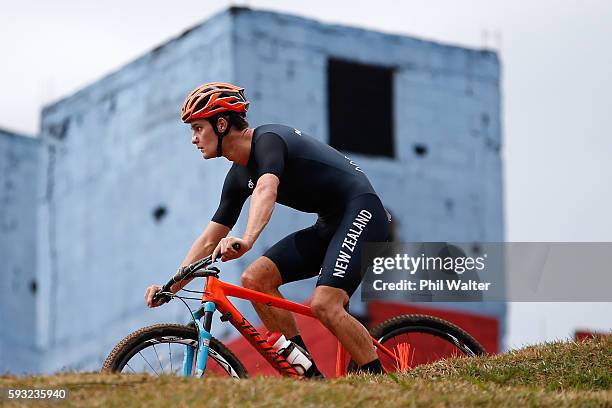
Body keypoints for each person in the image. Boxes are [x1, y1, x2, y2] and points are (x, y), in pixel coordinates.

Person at [144, 82, 390, 376]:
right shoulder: (236, 177)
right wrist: (171, 286)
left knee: (325, 303)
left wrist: (247, 240)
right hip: (330, 224)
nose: (194, 138)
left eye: (198, 128)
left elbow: (266, 189)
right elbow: (210, 238)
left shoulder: (268, 141)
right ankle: (309, 376)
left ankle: (380, 384)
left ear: (221, 124)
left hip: (363, 212)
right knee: (256, 279)